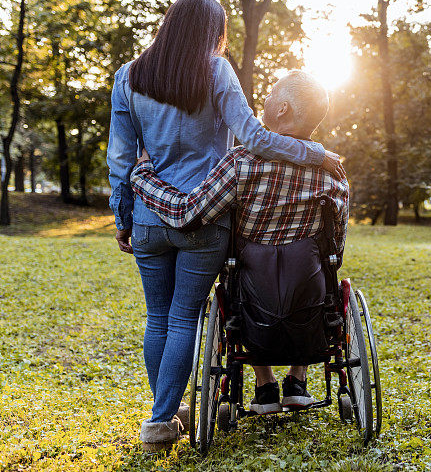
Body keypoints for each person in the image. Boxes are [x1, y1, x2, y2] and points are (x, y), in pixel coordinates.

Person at [106, 0, 344, 452]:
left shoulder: (128, 76)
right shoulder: (215, 71)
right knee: (183, 320)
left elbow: (120, 159)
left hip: (151, 215)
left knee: (157, 318)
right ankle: (160, 421)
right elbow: (254, 137)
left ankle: (167, 415)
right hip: (207, 218)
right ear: (212, 34)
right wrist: (313, 152)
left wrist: (124, 215)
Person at [130, 70, 348, 418]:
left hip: (250, 305)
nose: (264, 98)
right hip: (308, 304)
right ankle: (297, 379)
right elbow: (335, 247)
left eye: (272, 93)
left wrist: (142, 178)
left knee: (238, 277)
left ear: (283, 109)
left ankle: (264, 384)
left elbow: (187, 213)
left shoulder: (240, 163)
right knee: (314, 267)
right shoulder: (333, 172)